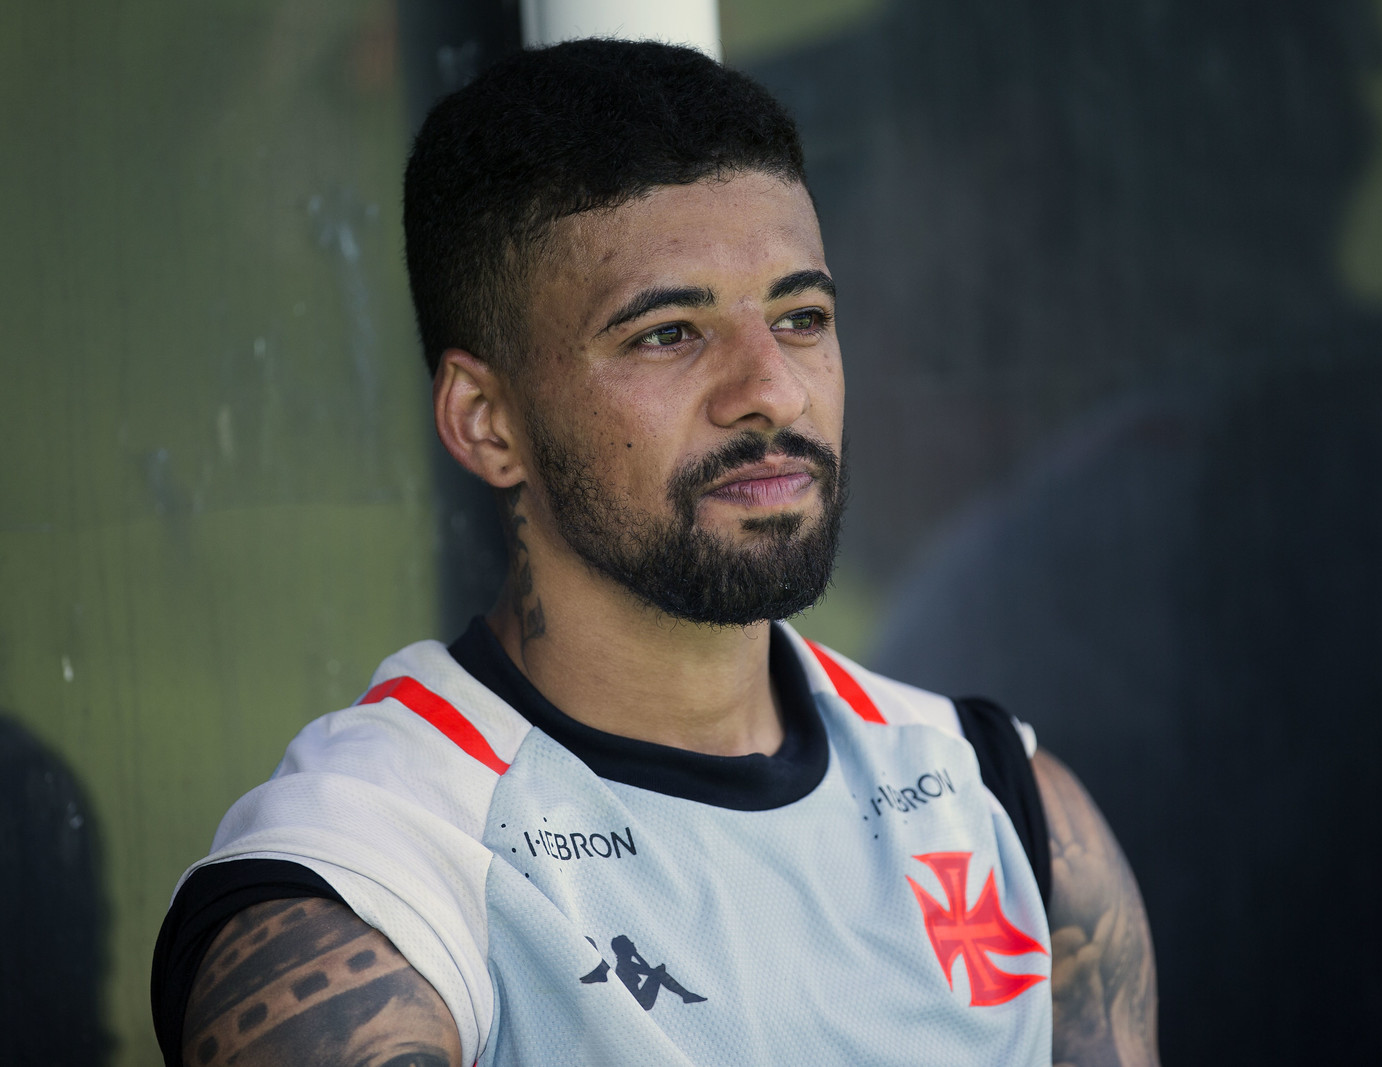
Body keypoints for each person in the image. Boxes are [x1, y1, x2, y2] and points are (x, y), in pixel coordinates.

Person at [150, 40, 1157, 1067]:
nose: (771, 388)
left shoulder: (1004, 806)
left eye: (801, 317)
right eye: (668, 333)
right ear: (485, 420)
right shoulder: (375, 878)